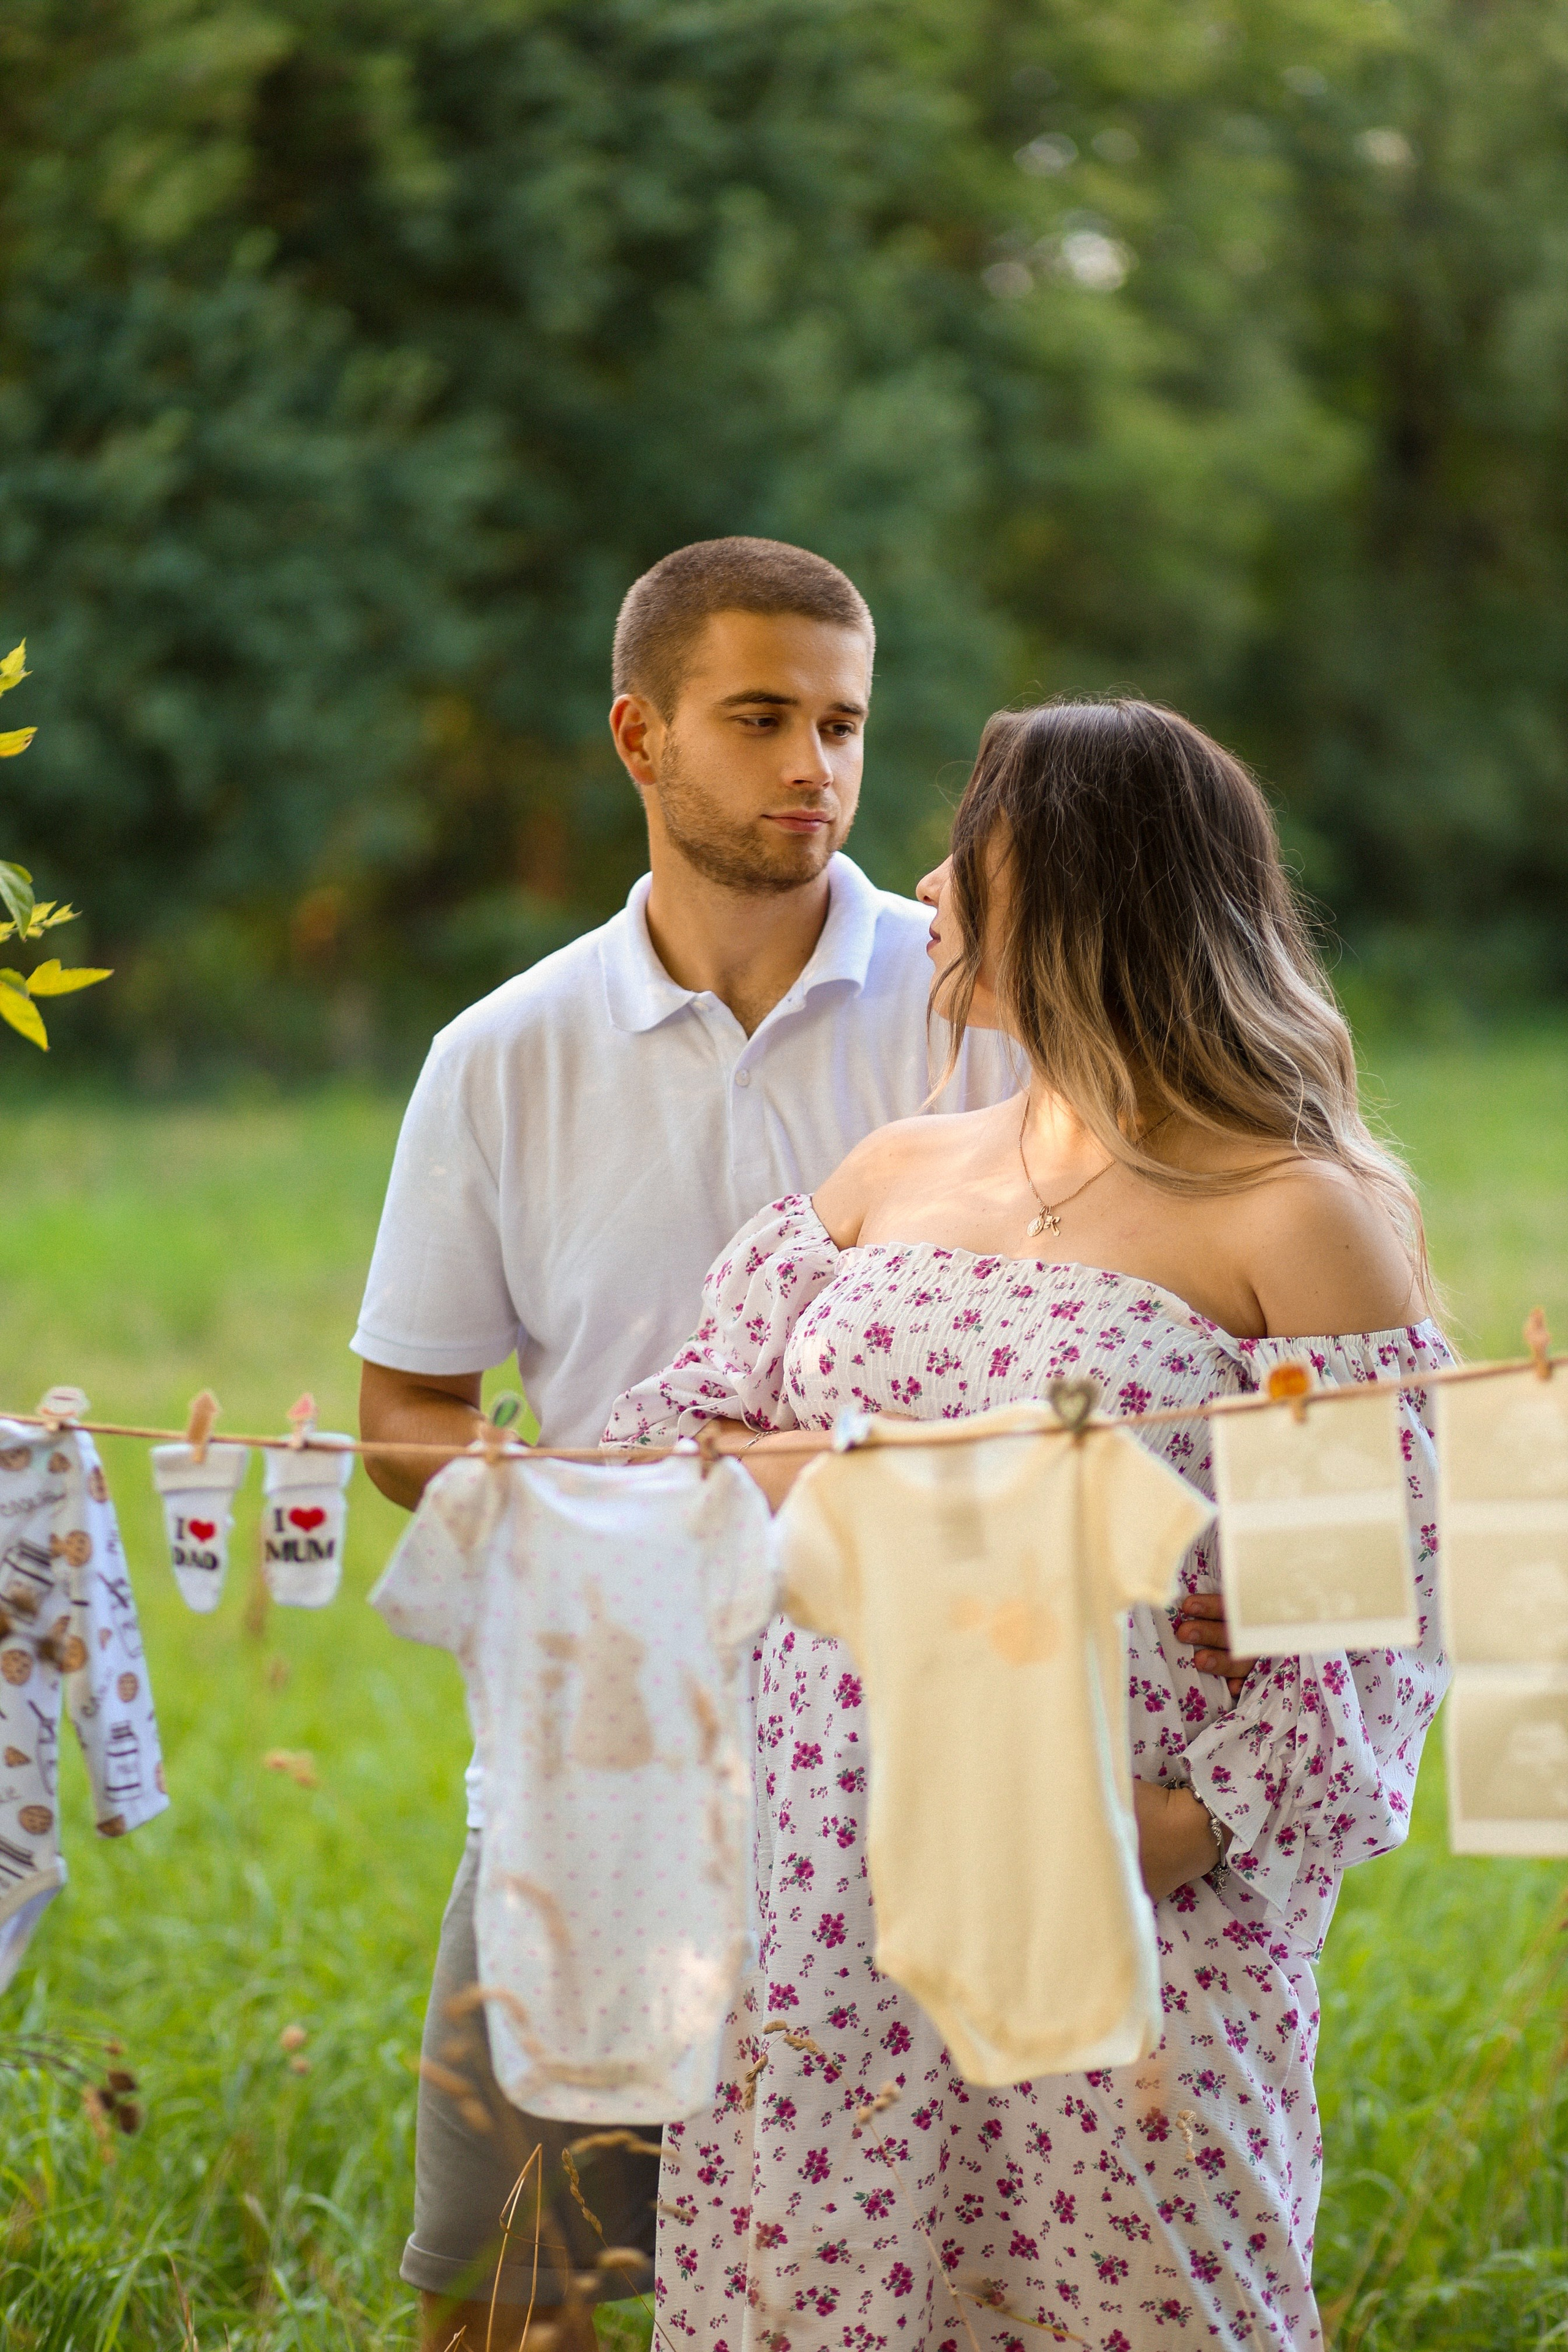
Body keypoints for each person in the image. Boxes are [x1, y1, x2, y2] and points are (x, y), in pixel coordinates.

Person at [355, 541, 1173, 2352]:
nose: (818, 765)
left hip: (930, 1746)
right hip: (605, 1741)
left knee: (903, 2287)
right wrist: (588, 1499)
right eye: (762, 719)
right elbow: (400, 1418)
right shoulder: (500, 1055)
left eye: (847, 723)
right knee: (522, 2287)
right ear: (642, 738)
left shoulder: (982, 998)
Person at [606, 698, 1452, 2350]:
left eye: (969, 839)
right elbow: (672, 1444)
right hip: (821, 1887)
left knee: (1129, 2298)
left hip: (1125, 1902)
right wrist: (832, 1472)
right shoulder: (895, 1169)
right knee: (823, 2289)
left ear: (1071, 885)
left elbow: (1376, 1611)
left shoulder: (1296, 1211)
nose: (924, 878)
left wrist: (1184, 1825)